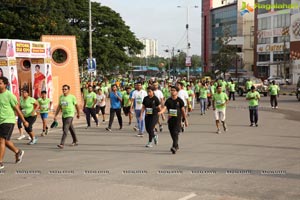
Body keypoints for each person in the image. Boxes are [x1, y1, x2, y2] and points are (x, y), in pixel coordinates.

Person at [0, 77, 28, 169]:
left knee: (1, 140)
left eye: (0, 83)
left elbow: (17, 109)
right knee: (6, 141)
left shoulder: (10, 95)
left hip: (8, 120)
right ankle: (17, 151)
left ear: (5, 85)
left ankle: (0, 162)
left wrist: (24, 121)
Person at [159, 86, 188, 154]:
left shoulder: (180, 101)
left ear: (177, 92)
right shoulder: (168, 100)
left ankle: (174, 147)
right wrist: (161, 112)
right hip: (170, 120)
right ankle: (176, 145)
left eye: (174, 90)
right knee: (172, 133)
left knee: (175, 133)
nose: (172, 91)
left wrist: (185, 120)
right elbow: (165, 108)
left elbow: (183, 111)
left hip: (177, 120)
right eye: (171, 90)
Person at [54, 85, 80, 149]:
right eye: (63, 89)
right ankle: (75, 140)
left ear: (68, 90)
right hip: (64, 115)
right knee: (70, 128)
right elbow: (59, 107)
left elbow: (76, 106)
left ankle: (62, 144)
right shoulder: (61, 97)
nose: (64, 90)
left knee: (65, 129)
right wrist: (56, 115)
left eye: (65, 89)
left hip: (70, 114)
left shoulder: (72, 97)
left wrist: (78, 113)